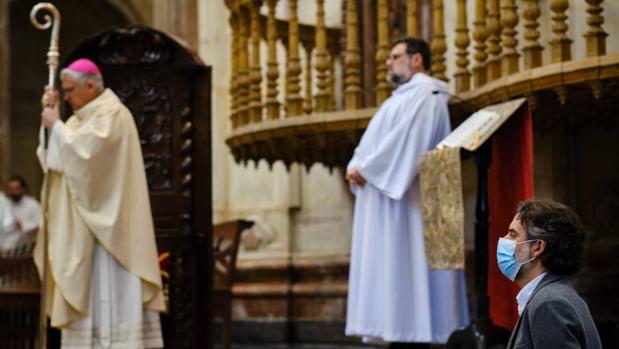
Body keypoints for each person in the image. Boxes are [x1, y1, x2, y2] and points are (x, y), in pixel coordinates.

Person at [345, 37, 469, 349]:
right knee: (397, 278)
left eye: (395, 56)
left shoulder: (428, 94)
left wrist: (368, 170)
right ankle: (400, 333)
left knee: (412, 272)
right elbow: (371, 145)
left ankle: (414, 335)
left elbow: (412, 143)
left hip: (412, 203)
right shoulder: (397, 99)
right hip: (389, 203)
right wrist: (356, 165)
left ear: (416, 60)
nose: (388, 62)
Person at [36, 58, 166, 347]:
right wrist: (52, 123)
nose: (66, 97)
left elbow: (88, 160)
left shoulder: (113, 114)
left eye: (70, 90)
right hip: (83, 233)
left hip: (112, 235)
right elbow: (58, 164)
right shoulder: (76, 121)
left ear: (91, 86)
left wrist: (56, 126)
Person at [498, 199, 602, 349]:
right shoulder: (555, 294)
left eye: (513, 234)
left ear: (537, 247)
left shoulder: (549, 303)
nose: (504, 240)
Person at [0, 176, 43, 250]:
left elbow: (40, 226)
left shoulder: (33, 205)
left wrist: (22, 224)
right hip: (5, 248)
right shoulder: (5, 203)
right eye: (11, 189)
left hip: (25, 249)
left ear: (23, 189)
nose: (13, 192)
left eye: (16, 189)